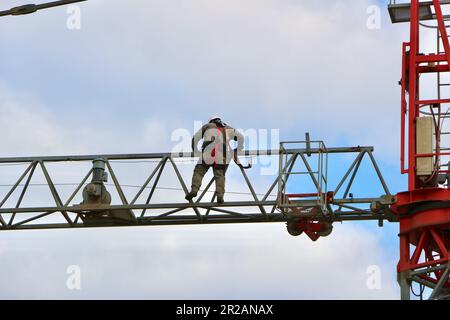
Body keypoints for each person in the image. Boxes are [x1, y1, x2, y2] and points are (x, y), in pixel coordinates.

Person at [185, 116, 244, 204]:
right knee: (220, 175)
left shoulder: (208, 126)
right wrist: (237, 148)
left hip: (208, 153)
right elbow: (241, 137)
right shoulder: (228, 128)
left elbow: (195, 138)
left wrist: (196, 151)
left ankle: (194, 190)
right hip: (220, 155)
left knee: (199, 172)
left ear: (211, 121)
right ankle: (220, 196)